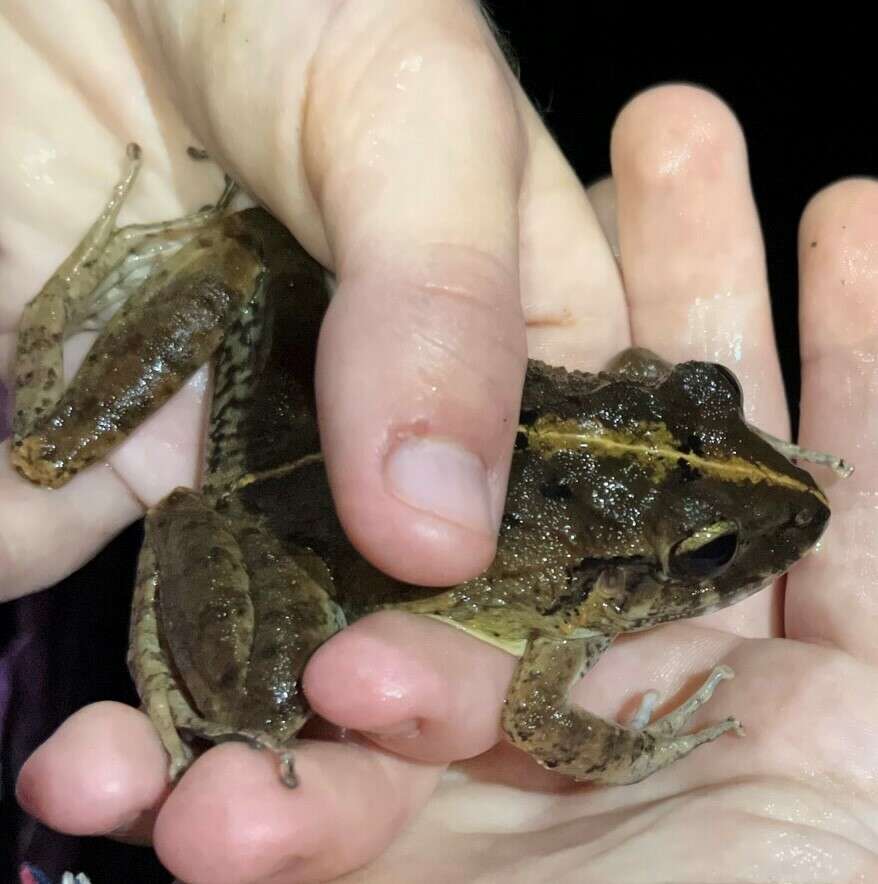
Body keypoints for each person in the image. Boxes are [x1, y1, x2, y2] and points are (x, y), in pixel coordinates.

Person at [2, 3, 877, 882]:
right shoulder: (586, 612)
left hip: (290, 401)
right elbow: (539, 719)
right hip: (284, 534)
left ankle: (70, 343)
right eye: (709, 552)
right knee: (265, 709)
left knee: (258, 248)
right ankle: (46, 336)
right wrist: (647, 751)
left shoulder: (643, 395)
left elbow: (652, 372)